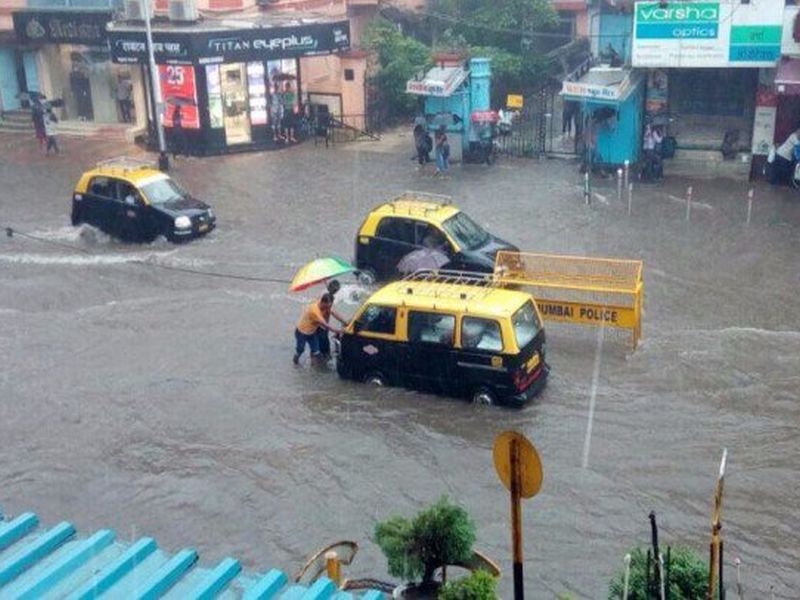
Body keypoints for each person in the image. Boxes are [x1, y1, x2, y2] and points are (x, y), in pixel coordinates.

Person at [294, 293, 341, 365]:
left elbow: (333, 312)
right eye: (327, 307)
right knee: (300, 350)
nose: (328, 309)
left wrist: (345, 322)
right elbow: (325, 324)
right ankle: (296, 360)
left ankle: (313, 366)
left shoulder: (321, 303)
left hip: (312, 333)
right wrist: (337, 330)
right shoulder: (315, 311)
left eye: (329, 307)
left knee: (316, 351)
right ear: (323, 303)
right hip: (301, 332)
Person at [316, 280, 347, 358]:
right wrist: (343, 321)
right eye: (336, 290)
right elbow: (332, 312)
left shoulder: (329, 296)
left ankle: (322, 355)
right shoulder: (326, 299)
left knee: (323, 342)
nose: (337, 292)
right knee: (323, 343)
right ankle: (322, 357)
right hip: (321, 325)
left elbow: (331, 312)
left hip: (324, 325)